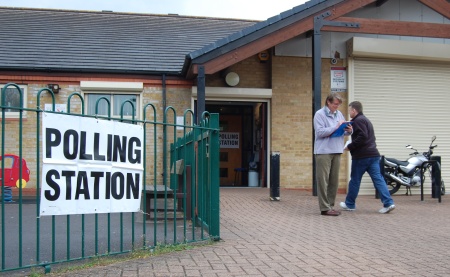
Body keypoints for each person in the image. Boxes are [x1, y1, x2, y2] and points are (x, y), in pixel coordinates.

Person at [340, 101, 395, 214]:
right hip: (373, 155)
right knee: (378, 179)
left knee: (355, 180)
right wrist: (352, 131)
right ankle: (388, 203)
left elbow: (362, 136)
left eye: (350, 110)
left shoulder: (357, 120)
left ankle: (350, 204)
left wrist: (350, 146)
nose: (349, 112)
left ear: (354, 110)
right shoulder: (365, 120)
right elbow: (364, 134)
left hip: (361, 156)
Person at [314, 93, 352, 216]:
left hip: (337, 149)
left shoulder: (339, 114)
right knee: (323, 180)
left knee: (334, 181)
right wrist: (335, 127)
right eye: (335, 104)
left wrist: (349, 131)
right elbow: (320, 132)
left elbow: (343, 132)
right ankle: (324, 208)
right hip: (324, 151)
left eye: (338, 104)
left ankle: (330, 205)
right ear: (328, 103)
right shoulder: (319, 114)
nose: (337, 106)